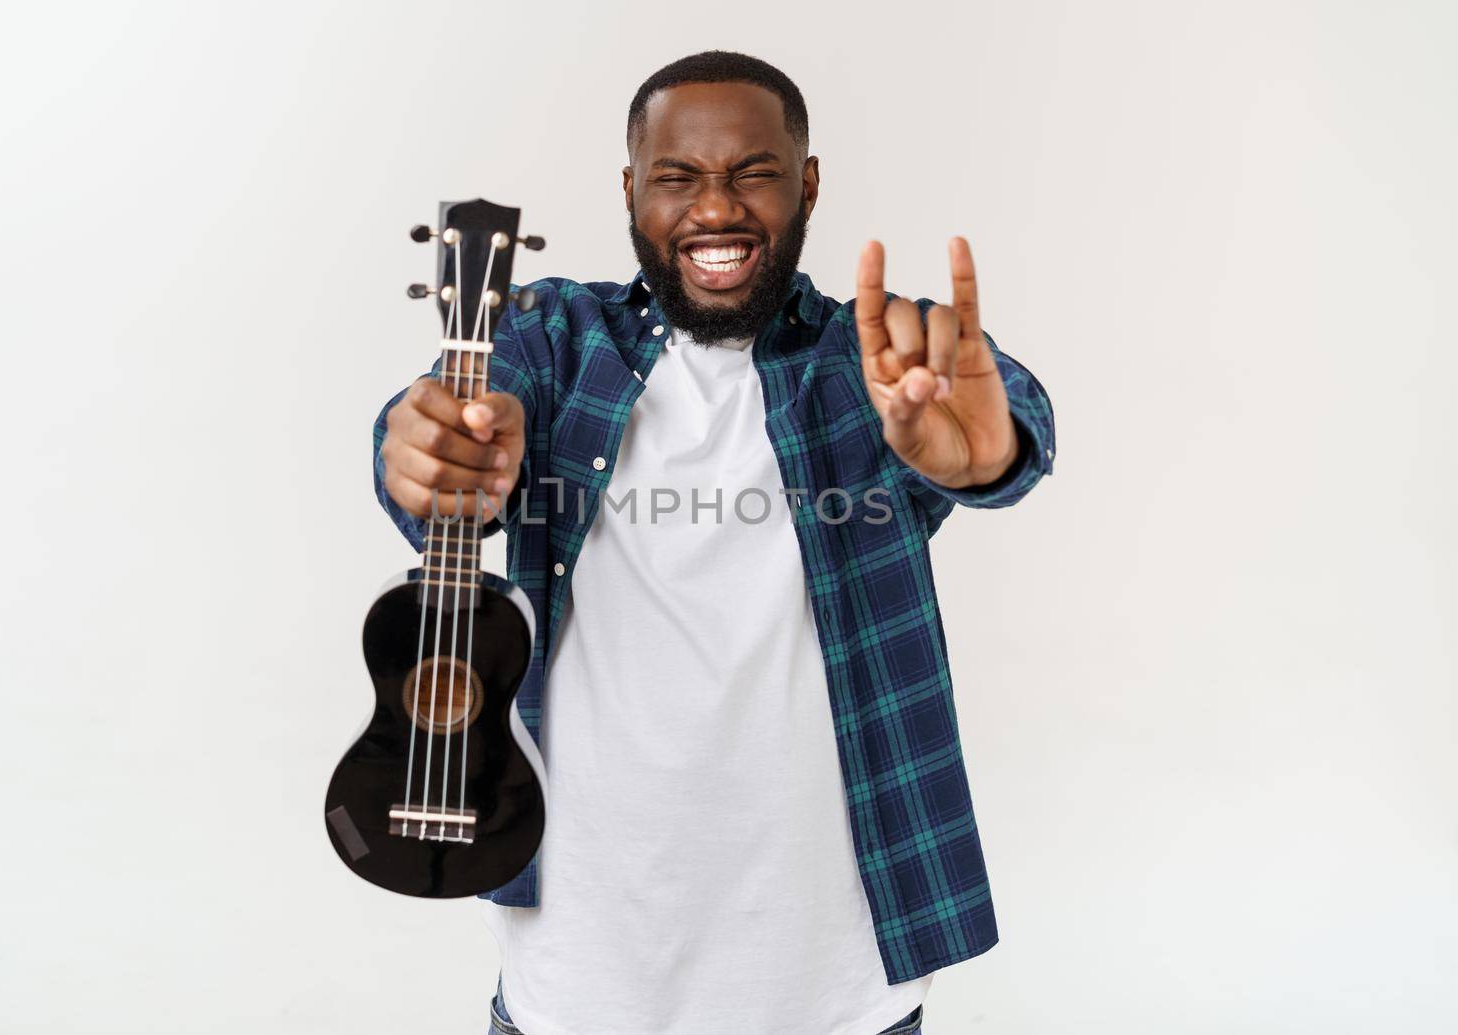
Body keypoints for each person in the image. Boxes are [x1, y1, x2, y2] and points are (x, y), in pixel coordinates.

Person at [373, 50, 1056, 1035]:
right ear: (630, 191)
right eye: (677, 177)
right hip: (578, 983)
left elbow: (995, 410)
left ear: (807, 183)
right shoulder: (552, 338)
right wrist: (422, 454)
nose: (714, 209)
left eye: (754, 172)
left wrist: (990, 453)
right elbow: (436, 433)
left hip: (839, 993)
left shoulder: (869, 358)